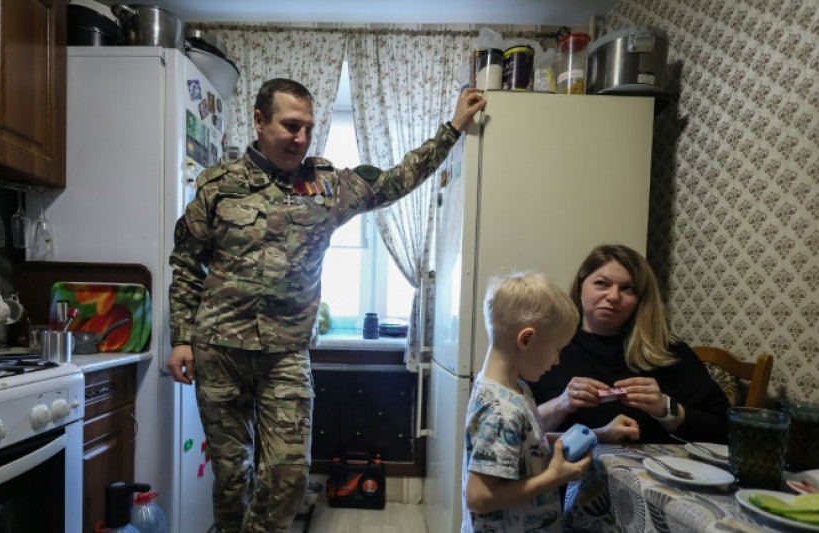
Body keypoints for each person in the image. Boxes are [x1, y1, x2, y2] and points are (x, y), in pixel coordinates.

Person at [166, 78, 487, 533]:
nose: (300, 138)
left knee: (288, 477)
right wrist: (181, 336)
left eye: (308, 129)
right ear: (259, 122)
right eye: (290, 125)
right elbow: (186, 262)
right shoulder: (218, 186)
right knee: (231, 475)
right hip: (219, 351)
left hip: (285, 355)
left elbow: (396, 179)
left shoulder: (328, 186)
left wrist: (452, 129)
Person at [463, 270, 640, 533]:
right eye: (557, 349)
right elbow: (478, 498)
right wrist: (552, 478)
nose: (557, 361)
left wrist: (599, 434)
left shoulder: (513, 388)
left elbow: (529, 444)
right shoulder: (501, 410)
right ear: (527, 339)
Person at [529, 244, 732, 444]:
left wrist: (666, 409)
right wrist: (560, 404)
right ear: (580, 287)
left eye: (628, 288)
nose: (614, 296)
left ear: (640, 299)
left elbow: (725, 430)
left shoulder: (668, 352)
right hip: (565, 472)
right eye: (602, 283)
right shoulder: (544, 347)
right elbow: (512, 429)